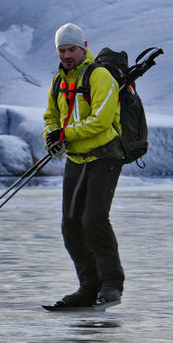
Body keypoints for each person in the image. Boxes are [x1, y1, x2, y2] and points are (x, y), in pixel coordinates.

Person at [42, 23, 126, 311]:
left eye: (71, 49)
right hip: (76, 159)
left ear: (84, 47)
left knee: (94, 220)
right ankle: (89, 287)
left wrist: (65, 135)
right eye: (62, 50)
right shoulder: (59, 81)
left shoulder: (99, 75)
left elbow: (102, 121)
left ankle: (112, 285)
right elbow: (51, 116)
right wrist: (51, 137)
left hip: (105, 156)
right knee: (70, 226)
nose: (66, 55)